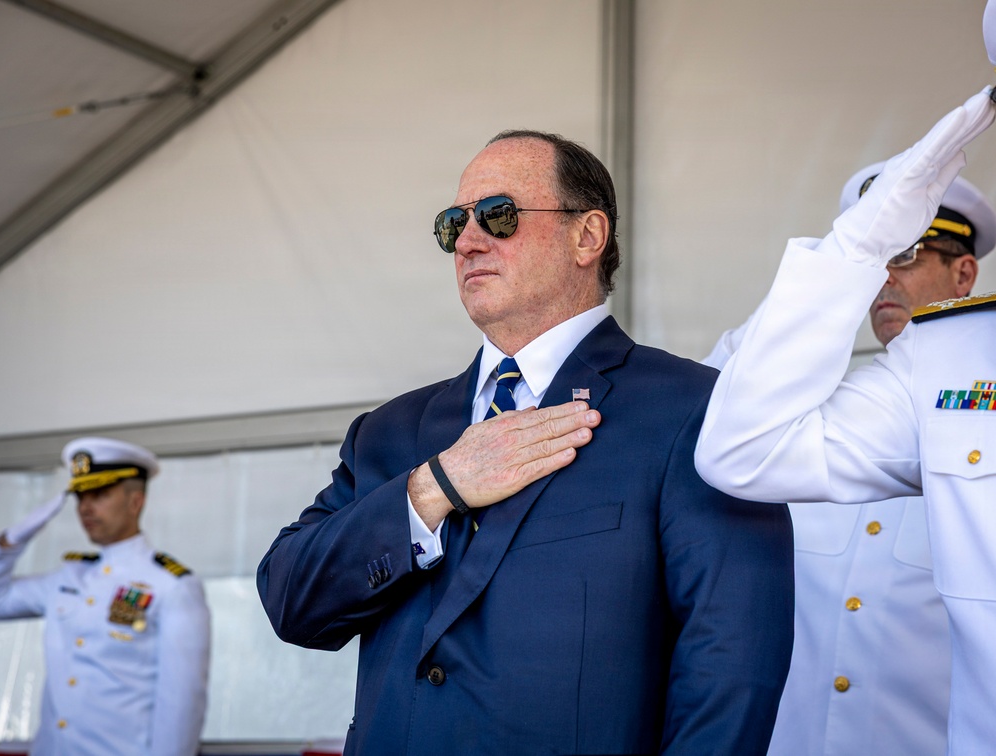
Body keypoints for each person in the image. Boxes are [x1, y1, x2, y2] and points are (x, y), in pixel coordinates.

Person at [257, 130, 795, 755]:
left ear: (587, 237)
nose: (466, 240)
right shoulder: (389, 432)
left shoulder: (699, 410)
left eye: (498, 215)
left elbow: (732, 667)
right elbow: (291, 601)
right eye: (451, 223)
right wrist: (434, 488)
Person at [694, 87, 996, 756]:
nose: (884, 279)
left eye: (907, 255)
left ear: (965, 272)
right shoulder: (810, 404)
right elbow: (725, 422)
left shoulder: (972, 391)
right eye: (876, 261)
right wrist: (848, 258)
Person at [0, 437, 211, 756]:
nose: (85, 507)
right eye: (81, 496)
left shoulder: (172, 585)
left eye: (100, 494)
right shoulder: (67, 578)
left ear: (135, 502)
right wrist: (11, 542)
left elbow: (181, 704)